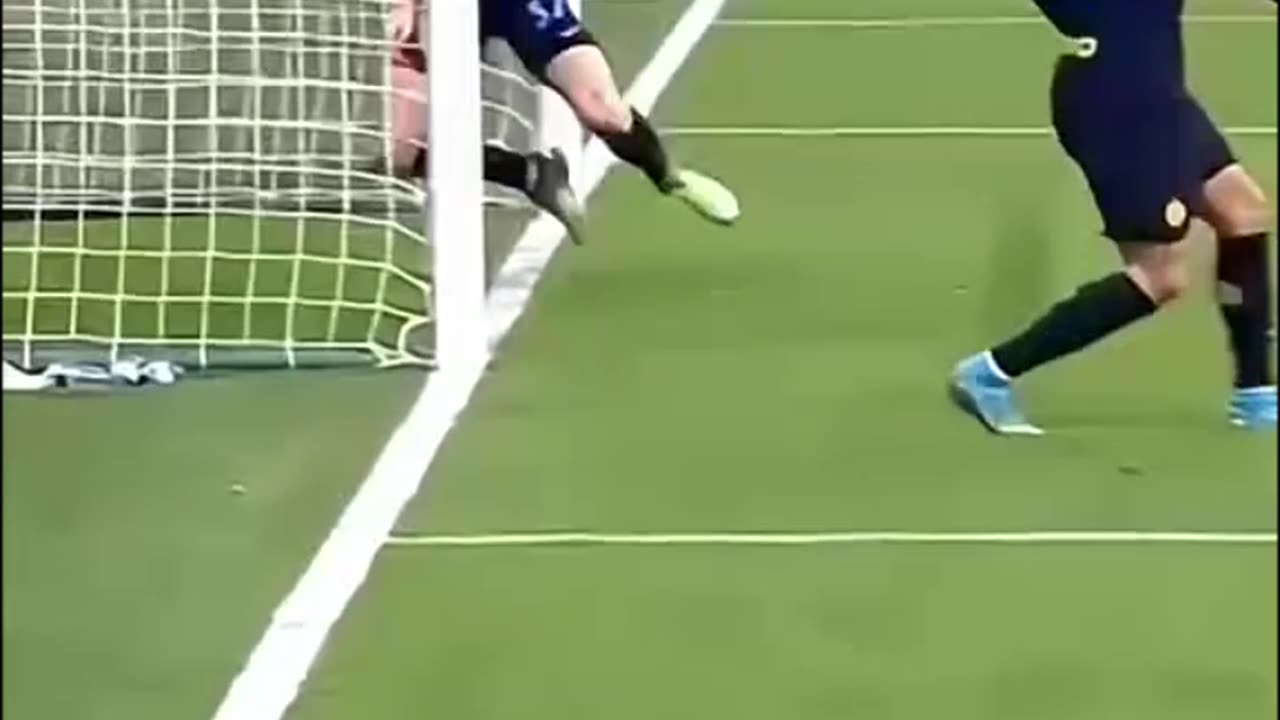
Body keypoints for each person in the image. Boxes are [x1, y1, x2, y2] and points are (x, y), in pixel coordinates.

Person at [950, 0, 1276, 434]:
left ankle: (1255, 393)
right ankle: (991, 372)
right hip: (1119, 104)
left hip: (1158, 93)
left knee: (1242, 211)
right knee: (1160, 275)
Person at [389, 0, 740, 244]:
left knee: (602, 109)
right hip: (434, 9)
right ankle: (530, 174)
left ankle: (668, 176)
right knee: (404, 153)